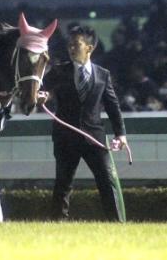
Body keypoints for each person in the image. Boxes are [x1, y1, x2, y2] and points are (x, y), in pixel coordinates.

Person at [43, 25, 127, 221]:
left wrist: (120, 134)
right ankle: (57, 226)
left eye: (76, 44)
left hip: (95, 138)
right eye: (69, 45)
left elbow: (113, 107)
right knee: (63, 184)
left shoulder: (102, 75)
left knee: (107, 181)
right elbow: (41, 91)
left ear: (89, 48)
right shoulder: (57, 71)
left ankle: (117, 225)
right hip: (65, 137)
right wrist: (41, 96)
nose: (71, 48)